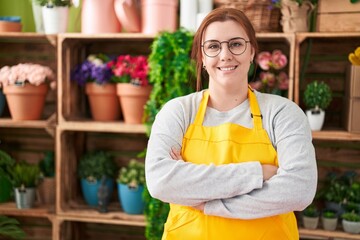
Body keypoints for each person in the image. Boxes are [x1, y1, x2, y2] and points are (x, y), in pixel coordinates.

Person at [145, 7, 317, 240]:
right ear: (203, 57)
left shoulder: (282, 113)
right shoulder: (178, 112)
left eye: (236, 44)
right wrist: (258, 172)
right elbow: (161, 182)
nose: (225, 54)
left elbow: (299, 190)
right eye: (214, 46)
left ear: (251, 52)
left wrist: (209, 204)